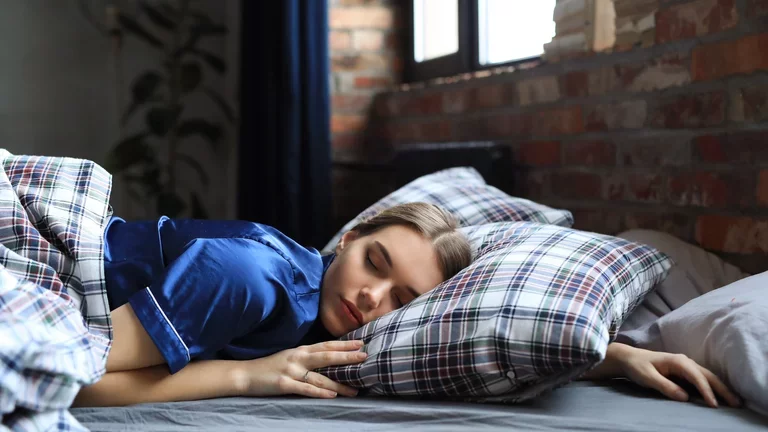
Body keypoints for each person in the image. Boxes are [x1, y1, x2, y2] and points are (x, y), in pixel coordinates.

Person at [73, 202, 742, 409]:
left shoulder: (333, 325)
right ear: (348, 240)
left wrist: (612, 353)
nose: (372, 299)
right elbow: (75, 373)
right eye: (374, 263)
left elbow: (463, 335)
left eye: (402, 300)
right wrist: (243, 375)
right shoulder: (253, 276)